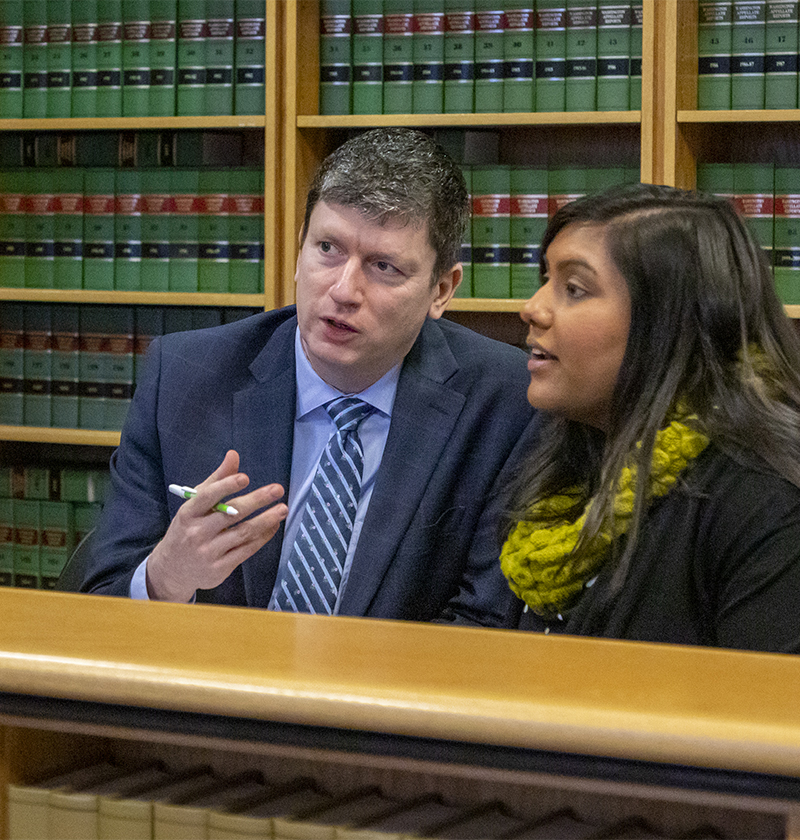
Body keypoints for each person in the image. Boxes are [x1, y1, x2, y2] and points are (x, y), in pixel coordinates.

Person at [80, 127, 536, 625]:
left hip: (387, 697)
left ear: (441, 290)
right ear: (298, 249)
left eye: (383, 266)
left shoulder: (508, 402)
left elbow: (486, 624)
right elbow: (98, 606)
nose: (344, 289)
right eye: (327, 248)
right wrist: (167, 576)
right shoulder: (186, 378)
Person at [498, 182, 800, 653]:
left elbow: (761, 717)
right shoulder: (566, 464)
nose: (532, 308)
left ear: (670, 323)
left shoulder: (766, 504)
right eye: (544, 280)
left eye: (574, 289)